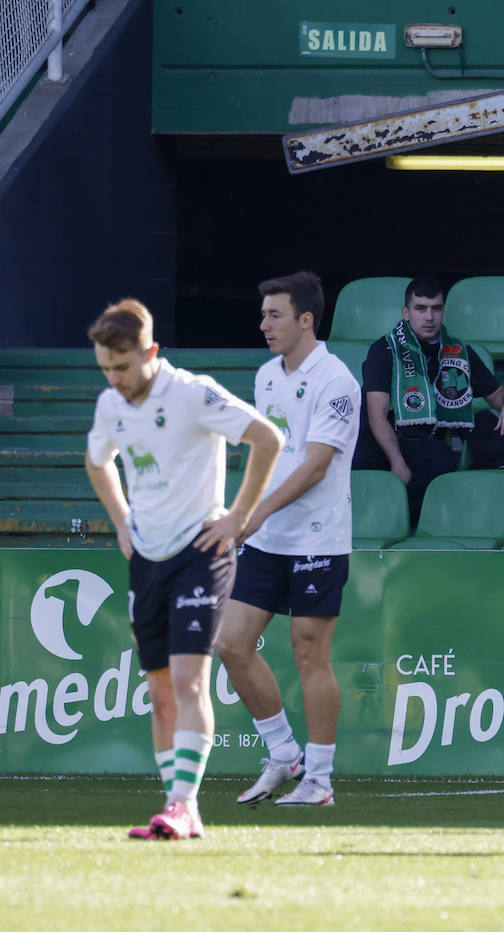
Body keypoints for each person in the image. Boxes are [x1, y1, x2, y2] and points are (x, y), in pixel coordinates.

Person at [84, 299, 284, 839]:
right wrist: (121, 522)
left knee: (191, 680)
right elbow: (97, 461)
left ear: (151, 351)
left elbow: (268, 438)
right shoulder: (110, 405)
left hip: (201, 553)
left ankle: (181, 803)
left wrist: (239, 517)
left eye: (123, 366)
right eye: (105, 369)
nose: (115, 379)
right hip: (147, 558)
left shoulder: (195, 393)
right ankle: (181, 809)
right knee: (161, 691)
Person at [214, 272, 360, 808]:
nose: (264, 324)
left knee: (308, 653)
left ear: (306, 320)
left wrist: (254, 513)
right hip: (270, 538)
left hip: (319, 538)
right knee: (231, 643)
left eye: (275, 315)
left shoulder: (336, 381)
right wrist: (244, 508)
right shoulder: (266, 376)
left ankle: (318, 780)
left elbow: (317, 466)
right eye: (263, 314)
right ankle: (283, 754)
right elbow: (270, 454)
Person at [351, 277, 504, 527]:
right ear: (406, 312)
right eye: (420, 308)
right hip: (381, 439)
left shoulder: (458, 353)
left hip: (422, 444)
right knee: (360, 456)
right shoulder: (385, 350)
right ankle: (376, 524)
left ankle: (408, 524)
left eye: (436, 308)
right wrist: (397, 462)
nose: (429, 317)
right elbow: (376, 414)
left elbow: (498, 393)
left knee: (442, 456)